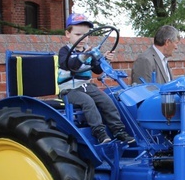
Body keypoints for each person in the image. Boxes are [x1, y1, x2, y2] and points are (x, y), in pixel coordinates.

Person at [58, 12, 135, 145]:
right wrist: (84, 55)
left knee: (107, 100)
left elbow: (97, 70)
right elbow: (70, 65)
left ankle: (118, 130)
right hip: (69, 90)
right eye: (78, 35)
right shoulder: (65, 51)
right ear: (67, 34)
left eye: (86, 35)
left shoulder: (89, 51)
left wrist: (104, 60)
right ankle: (99, 132)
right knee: (88, 102)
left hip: (87, 87)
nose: (82, 39)